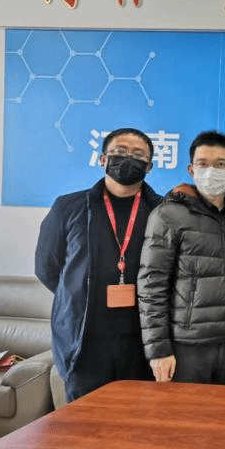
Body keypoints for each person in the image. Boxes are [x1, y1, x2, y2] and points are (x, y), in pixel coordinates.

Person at [35, 127, 162, 402]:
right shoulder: (68, 207)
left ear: (149, 166)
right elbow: (46, 267)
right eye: (120, 152)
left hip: (141, 343)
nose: (128, 159)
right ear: (103, 159)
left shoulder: (162, 211)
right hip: (85, 343)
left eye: (138, 155)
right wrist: (77, 294)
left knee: (138, 419)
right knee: (84, 422)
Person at [137, 130, 225, 385]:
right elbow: (152, 285)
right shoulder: (167, 216)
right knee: (187, 412)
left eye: (220, 164)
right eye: (203, 164)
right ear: (191, 170)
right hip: (187, 344)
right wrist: (159, 349)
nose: (211, 171)